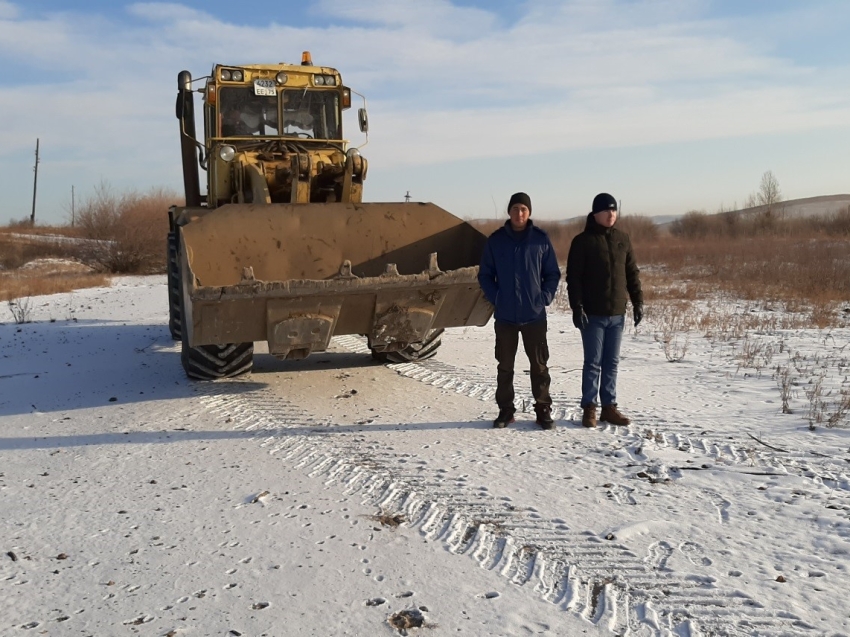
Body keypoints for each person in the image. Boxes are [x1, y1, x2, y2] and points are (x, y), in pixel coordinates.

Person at [478, 192, 562, 430]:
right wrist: (497, 297)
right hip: (505, 317)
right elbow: (485, 274)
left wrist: (544, 297)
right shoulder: (496, 241)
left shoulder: (540, 240)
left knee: (539, 365)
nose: (519, 213)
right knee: (505, 366)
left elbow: (552, 274)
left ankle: (543, 409)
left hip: (534, 316)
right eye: (515, 208)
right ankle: (506, 410)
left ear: (529, 212)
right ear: (509, 212)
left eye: (524, 209)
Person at [567, 193, 643, 428]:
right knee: (593, 362)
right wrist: (577, 307)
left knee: (611, 362)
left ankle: (609, 407)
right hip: (593, 314)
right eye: (606, 210)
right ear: (595, 213)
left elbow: (632, 273)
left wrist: (638, 301)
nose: (611, 214)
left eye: (614, 210)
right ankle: (589, 408)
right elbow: (574, 278)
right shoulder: (582, 241)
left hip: (617, 314)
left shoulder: (623, 239)